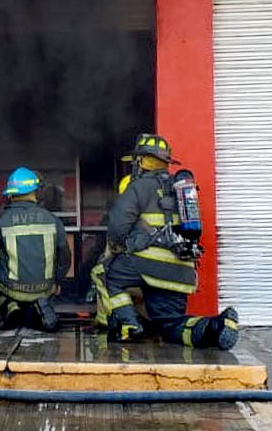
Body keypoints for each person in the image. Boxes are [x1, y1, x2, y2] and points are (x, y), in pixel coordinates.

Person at [100, 133, 240, 349]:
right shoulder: (181, 188)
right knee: (171, 325)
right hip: (182, 269)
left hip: (146, 263)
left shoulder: (137, 187)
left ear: (142, 161)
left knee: (105, 274)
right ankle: (215, 327)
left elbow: (117, 229)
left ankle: (130, 325)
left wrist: (126, 247)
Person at [0, 167, 69, 332]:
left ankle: (8, 305)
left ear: (11, 194)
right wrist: (56, 281)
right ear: (35, 191)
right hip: (45, 288)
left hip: (11, 289)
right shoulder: (53, 220)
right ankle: (42, 305)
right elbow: (65, 258)